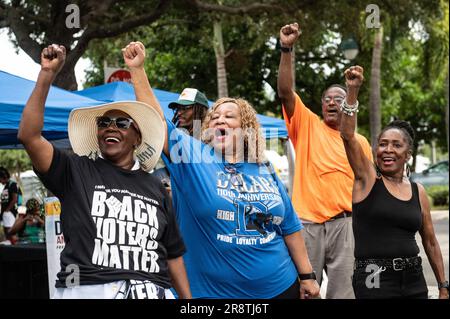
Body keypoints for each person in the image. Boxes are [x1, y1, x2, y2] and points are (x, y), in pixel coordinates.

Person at [123, 41, 320, 299]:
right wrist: (138, 70)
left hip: (281, 286)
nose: (219, 119)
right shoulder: (191, 157)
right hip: (216, 295)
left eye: (229, 116)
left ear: (245, 129)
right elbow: (156, 122)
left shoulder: (263, 167)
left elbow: (289, 226)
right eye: (214, 117)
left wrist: (307, 276)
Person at [17, 44, 191, 299]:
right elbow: (29, 136)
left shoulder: (156, 187)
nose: (111, 127)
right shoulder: (74, 170)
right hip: (89, 288)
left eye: (122, 123)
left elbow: (172, 255)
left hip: (151, 290)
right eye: (104, 123)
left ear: (137, 137)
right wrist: (46, 74)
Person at [277, 22, 373, 299]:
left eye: (339, 99)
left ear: (349, 105)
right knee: (304, 292)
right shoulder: (307, 125)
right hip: (306, 225)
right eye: (327, 99)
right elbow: (285, 92)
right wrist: (287, 48)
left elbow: (366, 185)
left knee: (345, 294)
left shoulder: (360, 142)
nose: (333, 103)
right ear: (321, 105)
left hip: (345, 226)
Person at [340, 65, 449, 299]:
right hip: (374, 278)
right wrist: (352, 91)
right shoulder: (367, 178)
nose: (388, 150)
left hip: (413, 278)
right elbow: (348, 136)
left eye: (396, 145)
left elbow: (430, 242)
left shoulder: (418, 191)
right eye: (383, 144)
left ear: (408, 154)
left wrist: (443, 286)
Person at [152, 87, 210, 195]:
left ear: (200, 110)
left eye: (185, 108)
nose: (179, 112)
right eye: (178, 108)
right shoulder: (177, 134)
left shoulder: (211, 138)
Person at [0, 167, 21, 245]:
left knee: (10, 232)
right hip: (6, 213)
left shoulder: (12, 184)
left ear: (2, 177)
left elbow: (15, 199)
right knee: (7, 232)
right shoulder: (6, 186)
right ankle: (11, 246)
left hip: (10, 213)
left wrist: (7, 210)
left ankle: (15, 247)